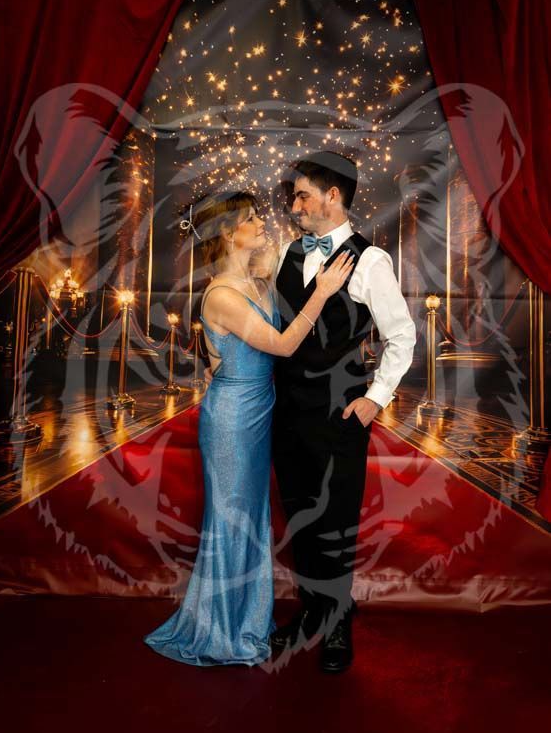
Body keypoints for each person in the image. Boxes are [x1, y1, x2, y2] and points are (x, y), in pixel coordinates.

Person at [143, 191, 354, 667]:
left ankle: (247, 620)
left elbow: (300, 255)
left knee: (254, 518)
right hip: (233, 418)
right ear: (226, 232)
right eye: (251, 218)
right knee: (232, 519)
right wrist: (320, 293)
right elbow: (280, 345)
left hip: (263, 412)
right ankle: (220, 629)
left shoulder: (260, 281)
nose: (262, 222)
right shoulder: (221, 294)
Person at [271, 151, 416, 672]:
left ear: (334, 196)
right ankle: (315, 611)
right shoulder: (291, 252)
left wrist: (375, 399)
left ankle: (335, 624)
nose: (295, 205)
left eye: (304, 195)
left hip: (338, 415)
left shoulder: (370, 260)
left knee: (334, 523)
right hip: (285, 414)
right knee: (301, 520)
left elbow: (402, 335)